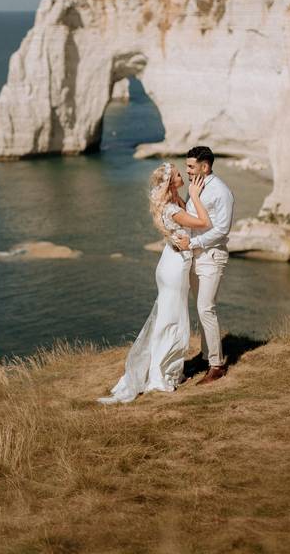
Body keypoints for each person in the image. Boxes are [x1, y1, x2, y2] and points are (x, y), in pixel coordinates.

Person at [98, 161, 212, 404]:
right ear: (172, 183)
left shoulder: (173, 202)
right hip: (174, 267)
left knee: (168, 318)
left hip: (170, 262)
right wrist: (196, 196)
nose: (183, 175)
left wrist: (188, 196)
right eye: (179, 174)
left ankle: (164, 369)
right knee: (171, 319)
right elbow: (204, 223)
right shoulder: (172, 209)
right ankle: (161, 375)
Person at [174, 146, 235, 385]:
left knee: (206, 308)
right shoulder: (196, 187)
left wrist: (194, 242)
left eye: (190, 166)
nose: (187, 170)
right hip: (195, 255)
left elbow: (221, 230)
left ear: (205, 166)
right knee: (200, 309)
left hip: (212, 256)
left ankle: (217, 365)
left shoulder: (221, 192)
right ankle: (204, 355)